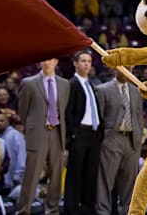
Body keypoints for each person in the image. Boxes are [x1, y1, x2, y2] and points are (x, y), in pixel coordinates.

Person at [16, 57, 70, 215]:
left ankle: (52, 210)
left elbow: (63, 109)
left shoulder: (65, 84)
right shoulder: (29, 82)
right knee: (32, 174)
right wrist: (33, 127)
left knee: (56, 175)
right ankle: (23, 210)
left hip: (57, 132)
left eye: (50, 60)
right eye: (44, 60)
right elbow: (22, 111)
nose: (47, 63)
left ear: (56, 62)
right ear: (39, 62)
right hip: (38, 132)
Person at [94, 66, 144, 215]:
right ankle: (103, 211)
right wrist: (104, 138)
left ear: (132, 69)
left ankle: (128, 211)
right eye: (122, 68)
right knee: (105, 180)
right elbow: (99, 118)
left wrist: (140, 134)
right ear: (115, 69)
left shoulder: (136, 91)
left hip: (132, 140)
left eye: (128, 68)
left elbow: (139, 115)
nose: (125, 71)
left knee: (130, 182)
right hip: (112, 138)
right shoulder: (103, 89)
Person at [64, 50, 102, 215]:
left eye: (89, 61)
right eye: (83, 61)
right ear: (75, 63)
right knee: (74, 174)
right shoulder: (71, 84)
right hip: (80, 134)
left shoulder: (91, 84)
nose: (86, 64)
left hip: (93, 134)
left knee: (90, 174)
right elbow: (68, 112)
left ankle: (87, 209)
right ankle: (71, 209)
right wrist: (74, 132)